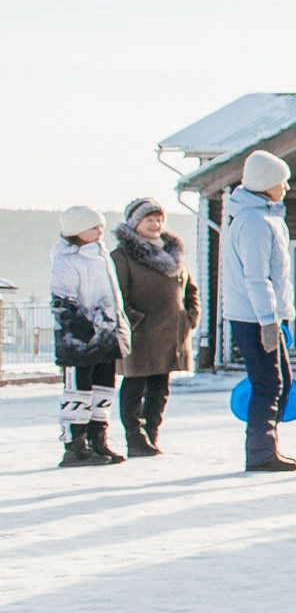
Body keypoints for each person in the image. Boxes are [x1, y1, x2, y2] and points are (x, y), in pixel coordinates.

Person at [222, 151, 296, 474]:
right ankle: (260, 451)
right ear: (267, 184)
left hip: (266, 316)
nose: (287, 187)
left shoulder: (266, 218)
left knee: (282, 381)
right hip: (254, 317)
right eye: (282, 181)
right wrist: (269, 321)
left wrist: (281, 315)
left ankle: (268, 444)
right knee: (268, 383)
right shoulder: (254, 222)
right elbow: (257, 277)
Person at [109, 196, 198, 457]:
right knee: (135, 387)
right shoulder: (122, 257)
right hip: (141, 335)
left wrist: (189, 317)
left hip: (171, 334)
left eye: (159, 219)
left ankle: (151, 436)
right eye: (149, 219)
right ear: (135, 223)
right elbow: (118, 296)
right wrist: (135, 322)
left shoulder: (172, 254)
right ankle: (135, 440)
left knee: (160, 389)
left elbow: (190, 290)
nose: (155, 224)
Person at [52, 204, 131, 467]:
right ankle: (75, 444)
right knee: (78, 391)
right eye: (93, 227)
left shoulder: (101, 256)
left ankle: (98, 439)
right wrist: (83, 328)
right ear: (76, 231)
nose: (100, 232)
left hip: (106, 337)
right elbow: (62, 302)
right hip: (80, 343)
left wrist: (117, 327)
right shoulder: (67, 261)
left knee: (103, 389)